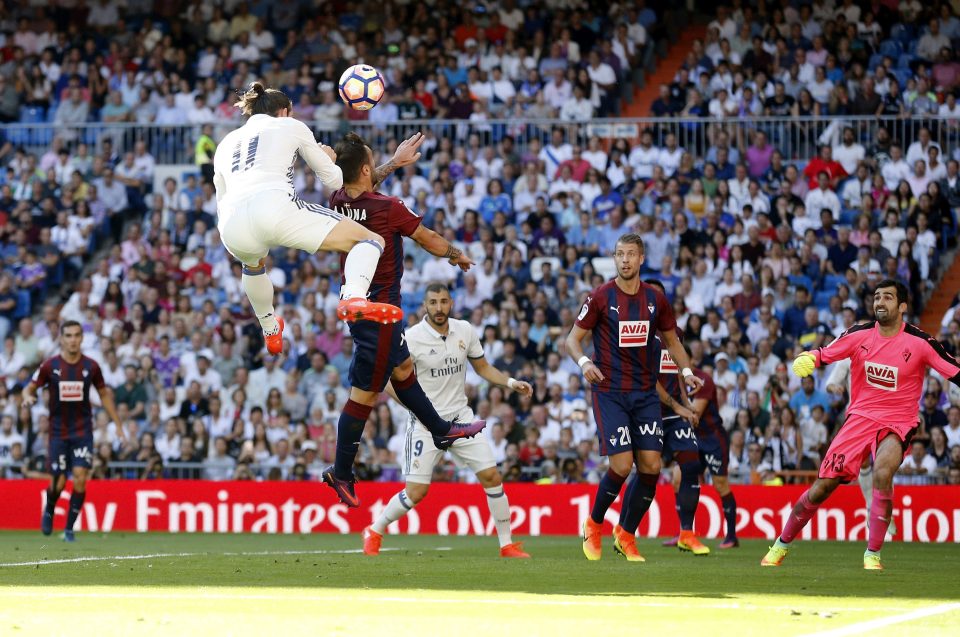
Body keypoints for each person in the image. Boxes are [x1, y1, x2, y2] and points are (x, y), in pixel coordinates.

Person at [322, 132, 486, 507]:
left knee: (403, 369)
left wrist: (394, 163)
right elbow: (426, 238)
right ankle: (341, 472)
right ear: (365, 168)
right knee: (363, 396)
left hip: (362, 306)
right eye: (372, 160)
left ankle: (441, 430)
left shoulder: (337, 199)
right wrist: (457, 254)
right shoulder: (388, 207)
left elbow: (361, 185)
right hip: (378, 311)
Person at [763, 280, 960, 570]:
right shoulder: (859, 334)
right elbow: (825, 353)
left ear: (902, 306)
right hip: (859, 420)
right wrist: (808, 358)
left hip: (898, 422)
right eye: (877, 297)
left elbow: (954, 370)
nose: (880, 302)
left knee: (882, 472)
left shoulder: (921, 343)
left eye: (888, 298)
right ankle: (780, 545)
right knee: (822, 488)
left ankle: (872, 554)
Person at [212, 82, 403, 356]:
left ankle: (269, 327)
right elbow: (334, 180)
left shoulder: (226, 143)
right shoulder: (291, 126)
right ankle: (354, 297)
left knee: (253, 265)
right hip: (273, 208)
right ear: (284, 112)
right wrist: (329, 157)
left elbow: (221, 196)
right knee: (369, 239)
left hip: (230, 224)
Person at [364, 284, 533, 558]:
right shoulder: (412, 338)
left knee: (492, 475)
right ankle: (375, 529)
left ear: (451, 302)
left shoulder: (464, 330)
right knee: (416, 492)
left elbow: (483, 368)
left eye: (443, 302)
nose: (439, 308)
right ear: (425, 305)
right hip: (425, 424)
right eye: (433, 302)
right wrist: (415, 407)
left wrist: (511, 383)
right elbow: (387, 382)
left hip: (461, 419)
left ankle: (506, 544)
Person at [566, 233, 703, 562]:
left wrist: (686, 373)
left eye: (630, 254)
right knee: (622, 464)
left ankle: (626, 535)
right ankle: (594, 524)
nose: (624, 260)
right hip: (610, 392)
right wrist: (584, 363)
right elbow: (573, 340)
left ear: (641, 259)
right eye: (619, 254)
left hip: (644, 393)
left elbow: (673, 342)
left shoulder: (655, 299)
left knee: (652, 468)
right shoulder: (600, 296)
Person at [21, 321, 125, 542]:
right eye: (68, 335)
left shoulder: (91, 367)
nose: (73, 339)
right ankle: (49, 508)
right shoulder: (50, 366)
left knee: (79, 479)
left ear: (82, 338)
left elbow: (104, 394)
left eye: (77, 335)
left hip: (82, 432)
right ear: (62, 338)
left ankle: (69, 528)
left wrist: (117, 424)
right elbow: (29, 387)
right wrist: (29, 396)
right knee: (58, 482)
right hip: (58, 432)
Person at [645, 280, 709, 555]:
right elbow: (648, 379)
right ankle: (624, 530)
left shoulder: (676, 334)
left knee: (691, 464)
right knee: (644, 472)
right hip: (647, 410)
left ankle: (686, 533)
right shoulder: (640, 335)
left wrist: (687, 405)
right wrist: (679, 406)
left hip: (674, 411)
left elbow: (678, 374)